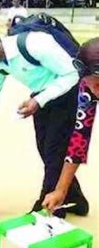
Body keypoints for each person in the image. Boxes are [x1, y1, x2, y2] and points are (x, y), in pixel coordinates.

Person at [0, 26, 86, 218]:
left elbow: (73, 74)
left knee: (53, 150)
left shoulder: (35, 44)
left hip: (68, 92)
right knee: (46, 150)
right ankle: (76, 200)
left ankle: (47, 210)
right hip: (42, 96)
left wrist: (38, 100)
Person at [42, 38, 98, 215]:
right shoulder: (87, 88)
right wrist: (61, 190)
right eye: (92, 86)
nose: (96, 92)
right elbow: (79, 140)